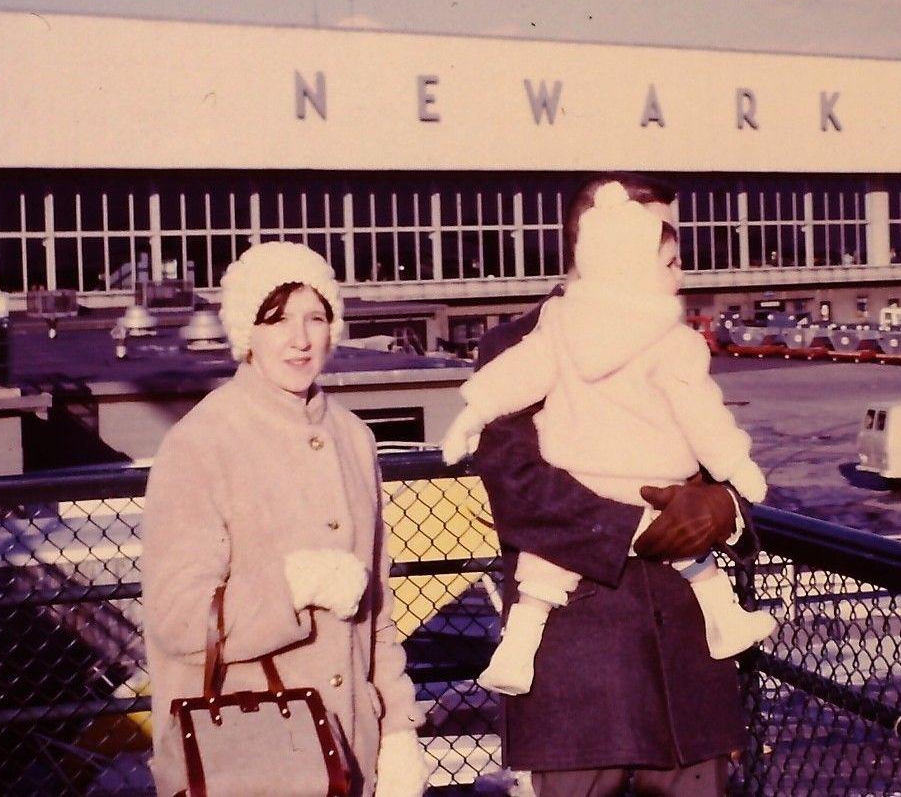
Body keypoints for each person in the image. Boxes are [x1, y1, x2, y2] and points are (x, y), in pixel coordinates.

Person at [468, 172, 759, 797]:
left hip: (687, 662)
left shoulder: (673, 339)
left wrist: (726, 508)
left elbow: (712, 447)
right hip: (583, 663)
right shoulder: (517, 345)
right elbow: (521, 492)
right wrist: (647, 528)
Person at [143, 241, 428, 797]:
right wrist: (295, 585)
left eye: (315, 318)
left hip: (352, 750)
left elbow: (379, 611)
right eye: (276, 320)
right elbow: (176, 618)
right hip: (251, 754)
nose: (300, 340)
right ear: (247, 333)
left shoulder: (353, 438)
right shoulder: (202, 444)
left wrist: (397, 730)